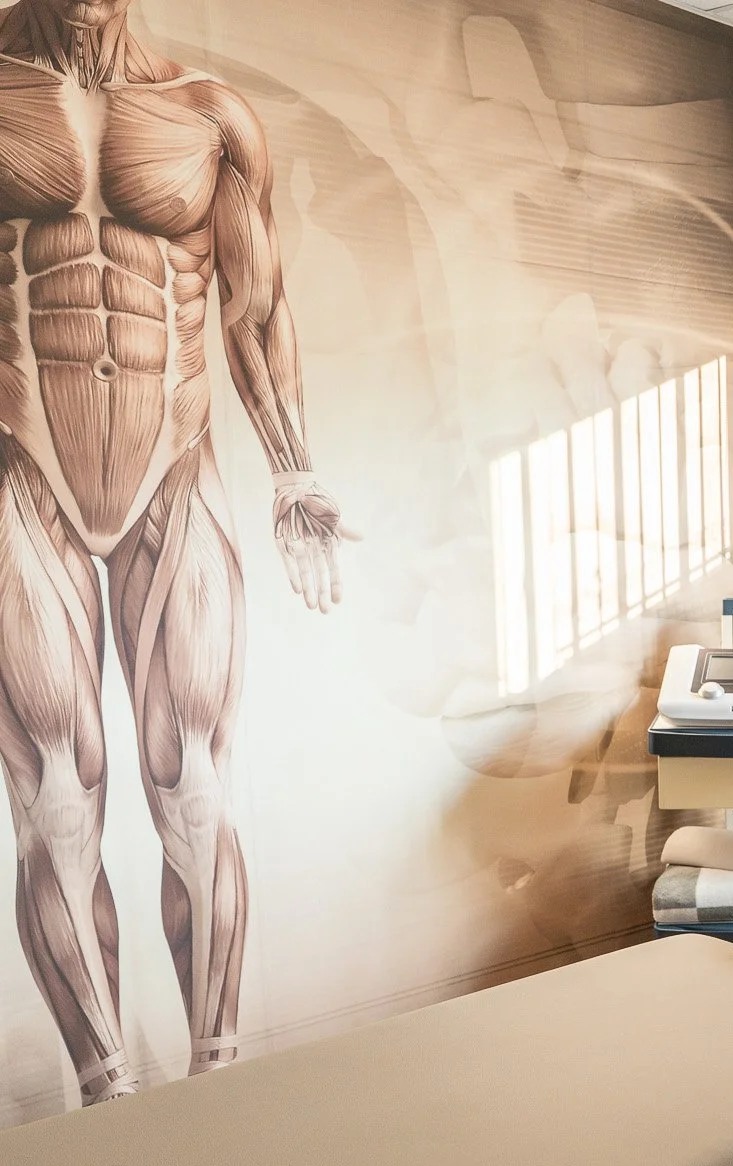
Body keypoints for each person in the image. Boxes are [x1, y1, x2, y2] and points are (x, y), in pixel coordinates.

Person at [0, 0, 351, 1101]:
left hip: (178, 472)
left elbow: (255, 305)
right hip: (21, 470)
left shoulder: (208, 113)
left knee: (193, 788)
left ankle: (218, 1091)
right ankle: (109, 1101)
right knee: (56, 801)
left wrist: (294, 471)